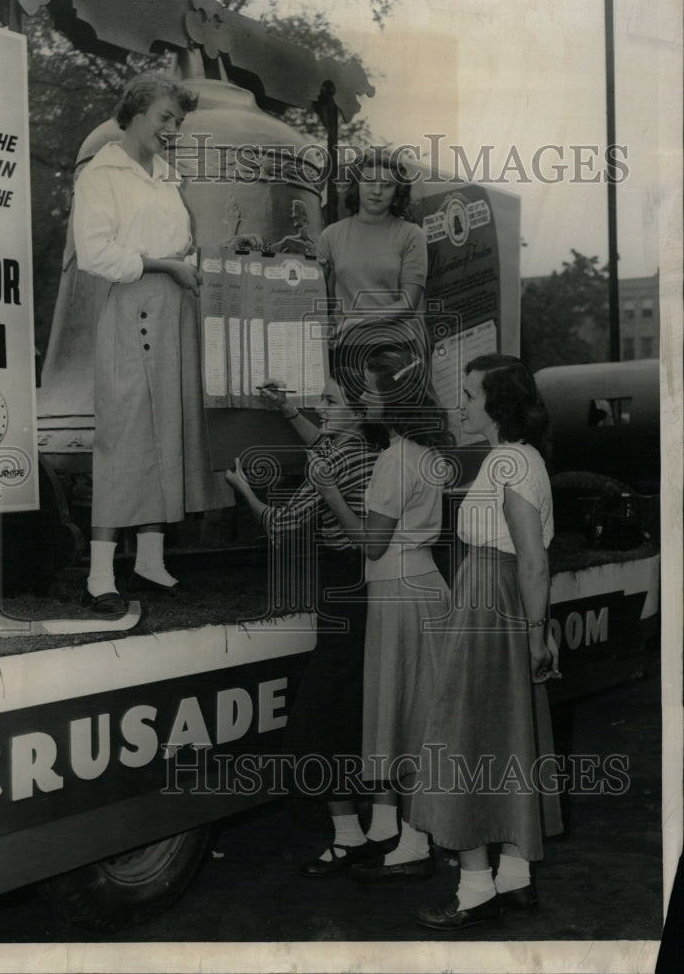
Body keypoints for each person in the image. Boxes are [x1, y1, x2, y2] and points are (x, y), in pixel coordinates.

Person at [407, 353, 563, 931]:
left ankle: (475, 888)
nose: (461, 405)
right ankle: (514, 880)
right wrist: (534, 627)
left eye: (469, 396)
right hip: (493, 603)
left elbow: (533, 560)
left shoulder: (510, 464)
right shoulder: (515, 459)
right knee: (506, 739)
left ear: (497, 404)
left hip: (490, 608)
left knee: (463, 739)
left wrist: (534, 633)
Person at [73, 73, 233, 614]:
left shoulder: (166, 176)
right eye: (166, 118)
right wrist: (166, 265)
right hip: (129, 307)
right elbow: (96, 254)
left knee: (167, 431)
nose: (173, 129)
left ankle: (149, 562)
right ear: (137, 113)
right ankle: (99, 575)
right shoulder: (103, 173)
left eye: (179, 122)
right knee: (125, 434)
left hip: (172, 309)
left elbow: (180, 244)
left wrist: (218, 253)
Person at [225, 375, 387, 876]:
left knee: (318, 721)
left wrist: (243, 489)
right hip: (368, 590)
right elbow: (326, 442)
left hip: (341, 589)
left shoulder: (336, 458)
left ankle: (347, 837)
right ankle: (373, 829)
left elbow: (282, 526)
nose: (319, 407)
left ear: (356, 414)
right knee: (353, 712)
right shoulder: (365, 449)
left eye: (329, 401)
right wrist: (286, 410)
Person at [312, 345, 451, 882]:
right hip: (422, 585)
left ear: (393, 399)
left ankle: (413, 842)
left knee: (402, 718)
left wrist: (328, 492)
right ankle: (403, 833)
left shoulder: (395, 459)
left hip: (398, 590)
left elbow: (370, 543)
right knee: (412, 714)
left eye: (371, 389)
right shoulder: (419, 449)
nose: (364, 398)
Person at [316, 148, 428, 377]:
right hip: (344, 350)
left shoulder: (411, 234)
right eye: (369, 181)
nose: (377, 191)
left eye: (387, 185)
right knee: (344, 413)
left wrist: (355, 322)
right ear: (356, 185)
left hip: (394, 352)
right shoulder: (330, 235)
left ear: (398, 191)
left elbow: (408, 305)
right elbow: (325, 302)